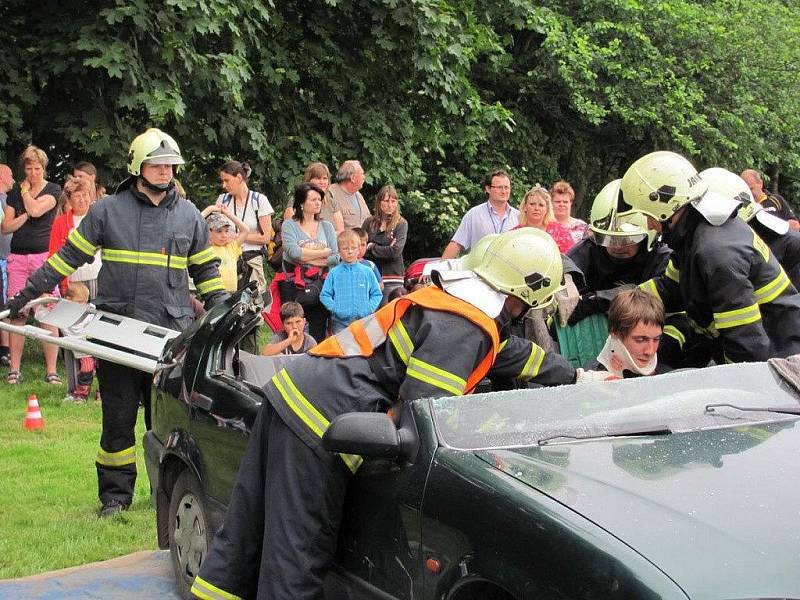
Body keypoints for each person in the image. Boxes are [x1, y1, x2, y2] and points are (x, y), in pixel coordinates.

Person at [192, 229, 612, 600]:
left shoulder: (459, 304)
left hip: (296, 394)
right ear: (525, 295)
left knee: (245, 532)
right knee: (298, 554)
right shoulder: (463, 329)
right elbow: (425, 414)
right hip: (320, 419)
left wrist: (577, 376)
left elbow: (509, 353)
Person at [6, 127, 228, 517]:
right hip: (118, 334)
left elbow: (207, 271)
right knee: (117, 421)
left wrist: (222, 310)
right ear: (138, 166)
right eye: (157, 165)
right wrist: (25, 295)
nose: (165, 171)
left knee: (169, 424)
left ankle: (170, 497)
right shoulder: (107, 211)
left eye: (170, 165)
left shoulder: (190, 216)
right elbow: (65, 259)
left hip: (168, 340)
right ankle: (114, 498)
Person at [619, 150, 800, 363]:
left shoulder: (716, 253)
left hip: (778, 360)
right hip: (760, 350)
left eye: (649, 216)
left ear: (665, 205)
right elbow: (668, 288)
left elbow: (746, 348)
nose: (649, 225)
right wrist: (613, 300)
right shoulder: (692, 235)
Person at [566, 179, 671, 323]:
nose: (617, 246)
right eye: (608, 238)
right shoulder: (590, 249)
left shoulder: (662, 257)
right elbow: (563, 265)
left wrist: (600, 300)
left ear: (648, 237)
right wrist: (566, 279)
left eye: (627, 240)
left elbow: (667, 291)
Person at [2, 145, 62, 385]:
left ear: (43, 168)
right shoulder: (15, 193)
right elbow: (6, 226)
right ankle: (14, 370)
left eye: (37, 168)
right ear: (24, 169)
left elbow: (37, 210)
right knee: (18, 313)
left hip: (42, 257)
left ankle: (52, 371)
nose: (33, 173)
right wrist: (26, 213)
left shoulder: (53, 189)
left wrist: (27, 199)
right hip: (17, 257)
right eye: (29, 169)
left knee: (47, 312)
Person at [703, 167, 800, 290]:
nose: (750, 192)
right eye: (746, 189)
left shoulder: (775, 200)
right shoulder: (741, 205)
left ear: (760, 183)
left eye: (751, 188)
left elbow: (795, 225)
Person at [280, 183, 340, 342]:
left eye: (319, 199)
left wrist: (307, 257)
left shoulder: (327, 226)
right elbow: (293, 254)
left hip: (319, 284)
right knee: (293, 327)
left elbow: (335, 256)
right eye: (313, 200)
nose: (318, 203)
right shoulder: (289, 225)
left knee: (318, 329)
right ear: (301, 203)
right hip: (294, 285)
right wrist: (323, 253)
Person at [216, 161, 274, 300]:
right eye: (222, 181)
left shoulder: (259, 200)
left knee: (253, 307)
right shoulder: (222, 200)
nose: (224, 185)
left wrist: (237, 237)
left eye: (227, 180)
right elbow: (215, 232)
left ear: (239, 178)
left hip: (251, 260)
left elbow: (265, 238)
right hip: (227, 260)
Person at [587, 288, 670, 378]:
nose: (650, 351)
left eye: (656, 339)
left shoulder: (670, 378)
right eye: (640, 340)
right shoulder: (588, 383)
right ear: (615, 333)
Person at [442, 168, 520, 258]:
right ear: (488, 189)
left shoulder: (519, 217)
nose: (504, 191)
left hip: (508, 271)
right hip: (478, 270)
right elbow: (456, 244)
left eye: (506, 187)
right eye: (499, 187)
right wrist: (440, 268)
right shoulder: (474, 215)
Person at [320, 229, 382, 333]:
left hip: (364, 321)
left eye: (353, 248)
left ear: (358, 250)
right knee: (342, 349)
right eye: (345, 248)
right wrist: (336, 308)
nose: (349, 251)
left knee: (363, 348)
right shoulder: (334, 273)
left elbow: (377, 294)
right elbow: (324, 295)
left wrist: (369, 309)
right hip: (340, 323)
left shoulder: (367, 272)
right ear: (339, 251)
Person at [49, 182, 102, 298]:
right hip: (72, 283)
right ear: (69, 200)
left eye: (85, 195)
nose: (82, 200)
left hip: (98, 278)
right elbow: (53, 254)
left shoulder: (100, 218)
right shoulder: (60, 223)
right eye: (77, 196)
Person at [362, 184, 408, 300]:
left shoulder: (401, 223)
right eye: (386, 201)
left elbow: (395, 252)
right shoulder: (369, 222)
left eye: (393, 201)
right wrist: (386, 247)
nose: (390, 205)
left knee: (389, 313)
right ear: (379, 202)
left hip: (392, 276)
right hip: (370, 274)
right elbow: (360, 249)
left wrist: (372, 246)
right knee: (371, 316)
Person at [61, 281, 97, 402]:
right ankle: (80, 393)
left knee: (94, 368)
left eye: (86, 301)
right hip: (78, 346)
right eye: (79, 302)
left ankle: (90, 394)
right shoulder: (62, 312)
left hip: (91, 346)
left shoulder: (90, 311)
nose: (83, 305)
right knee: (86, 368)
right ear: (68, 299)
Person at [200, 206, 250, 293]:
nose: (224, 235)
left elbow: (245, 230)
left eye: (226, 231)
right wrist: (210, 209)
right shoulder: (206, 248)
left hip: (232, 293)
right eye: (219, 231)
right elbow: (193, 225)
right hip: (213, 294)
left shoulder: (231, 247)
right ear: (208, 232)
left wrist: (227, 213)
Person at [513, 184, 573, 250]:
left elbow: (570, 258)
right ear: (525, 207)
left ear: (547, 209)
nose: (536, 208)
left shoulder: (561, 232)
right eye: (532, 204)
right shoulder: (514, 234)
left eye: (541, 205)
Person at [327, 160, 370, 232]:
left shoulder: (359, 195)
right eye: (362, 174)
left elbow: (369, 220)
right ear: (352, 178)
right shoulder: (331, 194)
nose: (364, 177)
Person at [547, 180, 588, 253]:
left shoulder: (582, 227)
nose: (561, 204)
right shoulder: (544, 225)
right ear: (551, 203)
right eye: (557, 202)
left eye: (565, 202)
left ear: (571, 203)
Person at [0, 164, 14, 366]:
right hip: (2, 259)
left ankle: (7, 349)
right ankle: (5, 350)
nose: (14, 179)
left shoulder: (7, 200)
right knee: (4, 305)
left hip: (8, 258)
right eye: (11, 175)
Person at [352, 226, 383, 291]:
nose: (360, 248)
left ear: (367, 246)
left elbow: (381, 286)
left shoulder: (370, 265)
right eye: (357, 244)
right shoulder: (342, 265)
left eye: (363, 245)